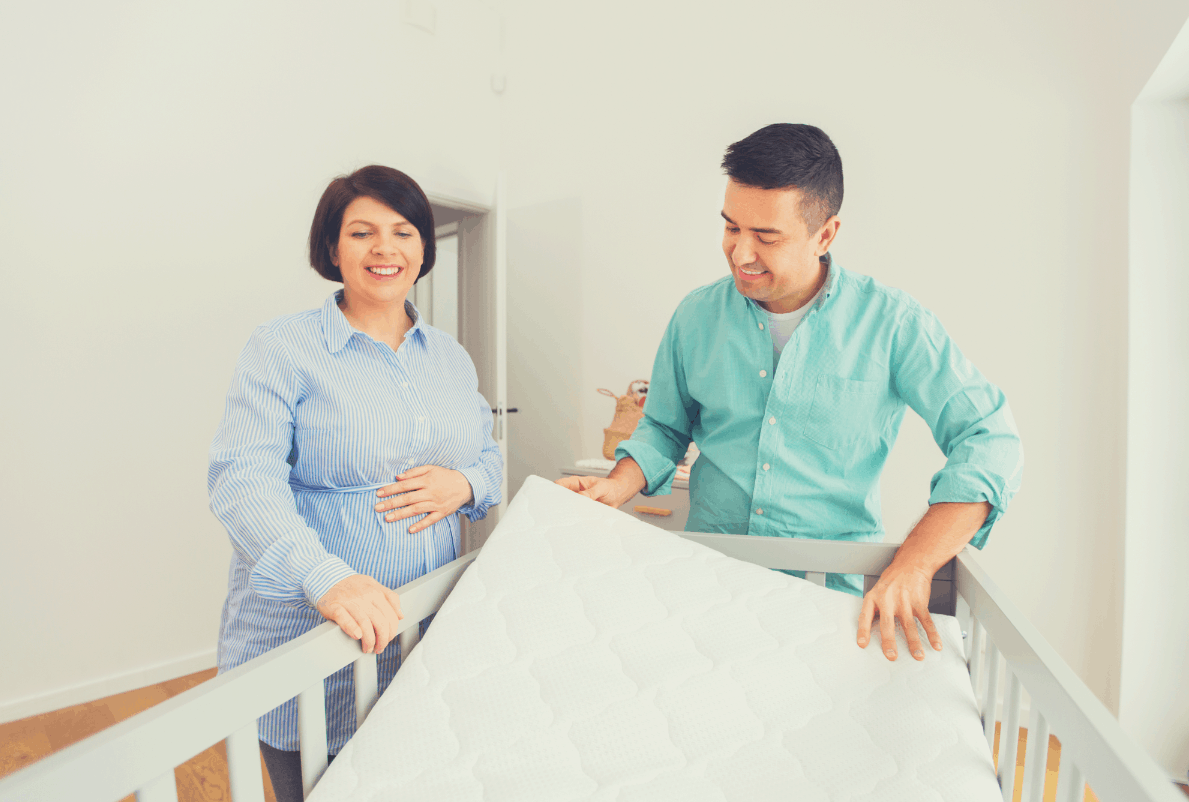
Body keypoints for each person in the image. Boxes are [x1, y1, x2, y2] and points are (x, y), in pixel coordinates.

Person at [558, 123, 1022, 665]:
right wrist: (616, 487)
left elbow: (990, 438)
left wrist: (915, 564)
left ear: (825, 234)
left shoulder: (894, 325)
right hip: (710, 580)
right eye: (730, 227)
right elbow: (664, 427)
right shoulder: (695, 316)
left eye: (766, 236)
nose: (740, 252)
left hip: (833, 603)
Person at [208, 165, 502, 802]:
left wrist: (465, 485)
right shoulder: (282, 349)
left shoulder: (450, 357)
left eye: (403, 232)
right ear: (332, 248)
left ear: (423, 246)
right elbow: (243, 479)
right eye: (362, 232)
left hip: (424, 636)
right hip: (310, 641)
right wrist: (327, 578)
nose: (385, 249)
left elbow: (488, 458)